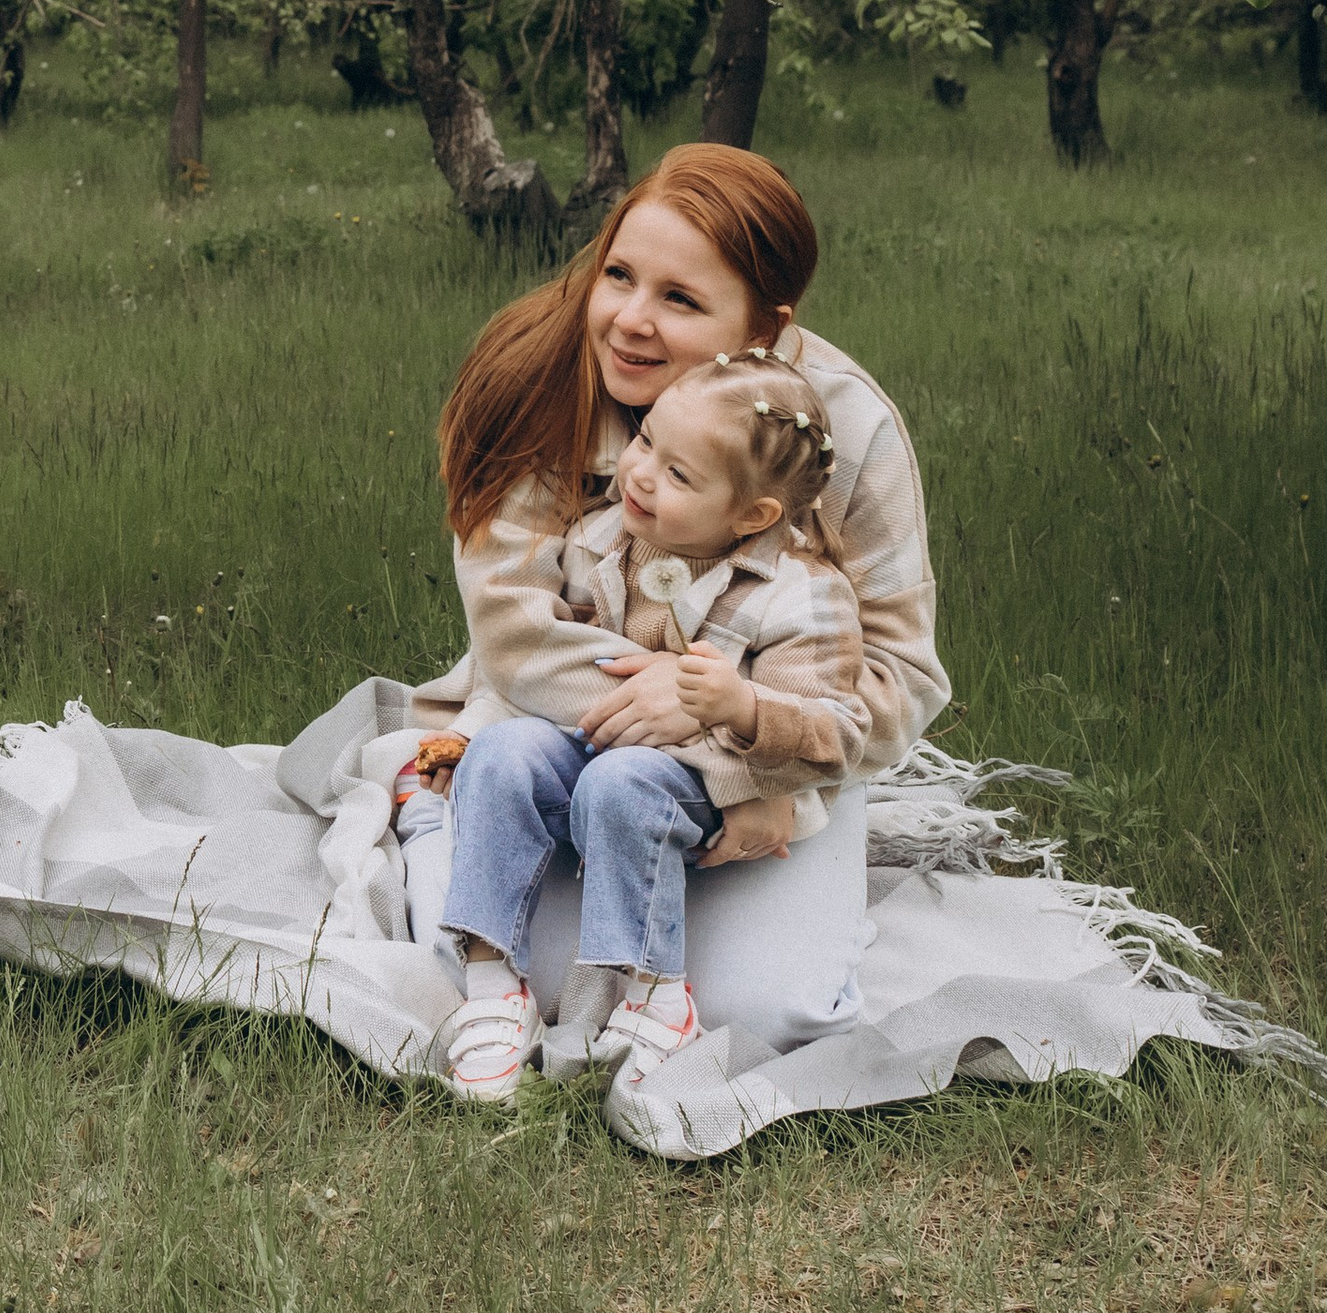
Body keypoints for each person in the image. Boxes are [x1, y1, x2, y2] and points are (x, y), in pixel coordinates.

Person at [404, 141, 947, 1088]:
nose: (629, 321)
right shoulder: (538, 387)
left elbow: (901, 680)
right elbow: (518, 638)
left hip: (779, 753)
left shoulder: (841, 433)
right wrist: (685, 719)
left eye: (682, 300)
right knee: (509, 963)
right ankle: (433, 810)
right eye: (619, 275)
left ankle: (655, 951)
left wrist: (750, 764)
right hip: (553, 723)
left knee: (773, 1011)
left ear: (766, 329)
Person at [398, 347, 870, 1096]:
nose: (642, 475)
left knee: (622, 781)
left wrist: (741, 707)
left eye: (680, 475)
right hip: (590, 752)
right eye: (646, 441)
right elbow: (540, 675)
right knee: (504, 754)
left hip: (695, 788)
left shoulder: (801, 595)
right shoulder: (604, 542)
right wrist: (472, 730)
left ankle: (656, 997)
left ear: (751, 515)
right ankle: (493, 984)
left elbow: (837, 732)